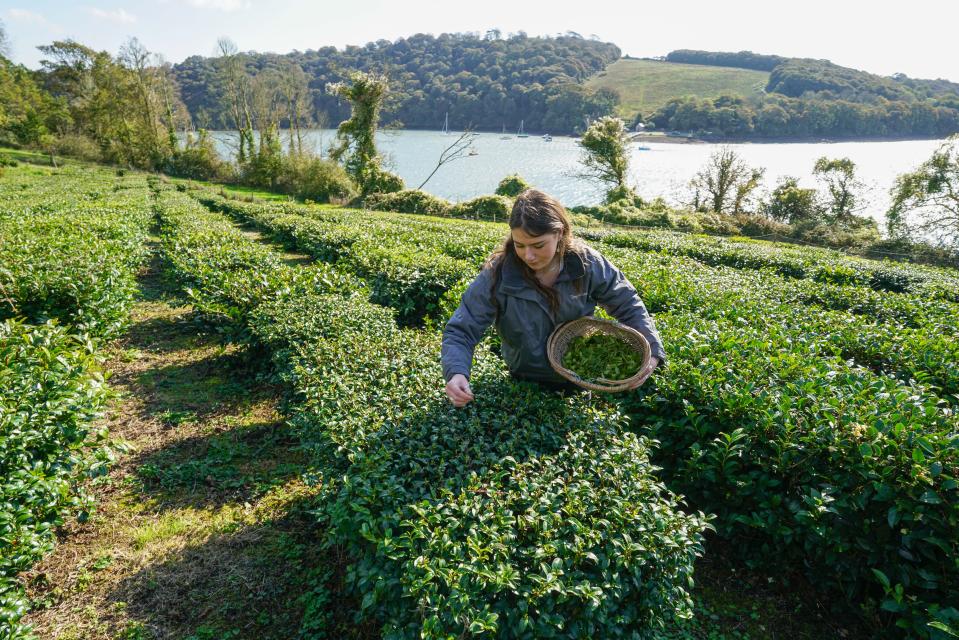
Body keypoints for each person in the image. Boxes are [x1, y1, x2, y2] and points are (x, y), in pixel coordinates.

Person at [442, 189, 666, 407]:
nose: (528, 255)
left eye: (538, 245)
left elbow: (627, 303)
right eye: (520, 245)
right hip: (523, 378)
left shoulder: (586, 263)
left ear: (559, 234)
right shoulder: (499, 274)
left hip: (580, 378)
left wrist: (653, 352)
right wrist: (456, 372)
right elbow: (462, 329)